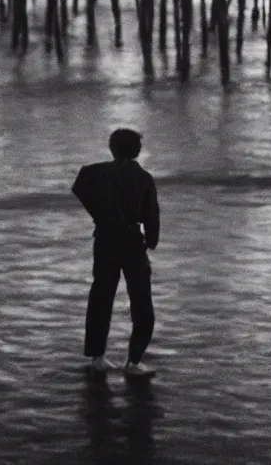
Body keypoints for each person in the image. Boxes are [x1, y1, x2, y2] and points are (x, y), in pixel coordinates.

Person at [71, 128, 159, 378]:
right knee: (141, 301)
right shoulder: (143, 178)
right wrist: (151, 240)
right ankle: (133, 362)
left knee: (101, 297)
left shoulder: (95, 172)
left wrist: (100, 214)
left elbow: (80, 187)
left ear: (112, 148)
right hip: (131, 241)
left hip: (105, 240)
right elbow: (151, 215)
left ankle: (97, 358)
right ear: (137, 151)